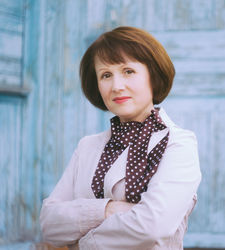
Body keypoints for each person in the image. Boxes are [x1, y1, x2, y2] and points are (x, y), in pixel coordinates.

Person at [40, 26, 201, 250]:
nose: (117, 86)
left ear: (152, 76)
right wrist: (109, 209)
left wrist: (79, 245)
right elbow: (49, 223)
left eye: (128, 71)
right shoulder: (88, 146)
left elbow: (152, 227)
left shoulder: (178, 144)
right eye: (106, 75)